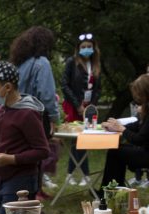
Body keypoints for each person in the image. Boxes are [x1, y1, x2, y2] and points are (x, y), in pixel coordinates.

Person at [0, 61, 49, 214]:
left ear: (7, 87)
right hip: (0, 177)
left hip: (22, 179)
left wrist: (11, 159)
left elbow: (42, 151)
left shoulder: (27, 114)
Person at [10, 26, 60, 195]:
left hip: (17, 112)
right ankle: (34, 192)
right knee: (38, 154)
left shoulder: (21, 63)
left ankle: (34, 189)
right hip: (36, 114)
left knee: (26, 153)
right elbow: (46, 94)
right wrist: (54, 117)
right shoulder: (42, 63)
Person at [62, 33, 102, 186]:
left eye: (89, 47)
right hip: (73, 107)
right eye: (83, 47)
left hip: (88, 108)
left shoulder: (96, 64)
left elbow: (98, 89)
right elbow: (65, 84)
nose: (86, 49)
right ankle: (77, 174)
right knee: (76, 141)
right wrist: (77, 104)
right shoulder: (72, 62)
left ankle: (80, 175)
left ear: (94, 48)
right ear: (78, 49)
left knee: (84, 140)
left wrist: (91, 106)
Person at [99, 74, 149, 189]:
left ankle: (109, 191)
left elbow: (139, 139)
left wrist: (122, 129)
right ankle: (114, 189)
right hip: (145, 150)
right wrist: (115, 126)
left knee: (115, 152)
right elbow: (137, 126)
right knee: (117, 150)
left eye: (138, 93)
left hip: (147, 153)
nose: (136, 97)